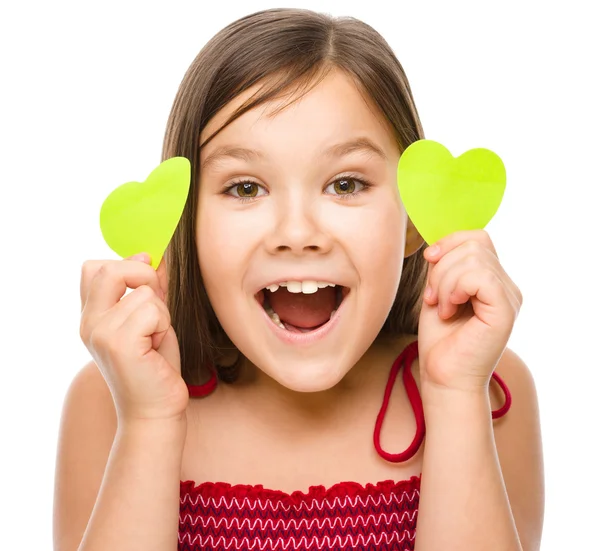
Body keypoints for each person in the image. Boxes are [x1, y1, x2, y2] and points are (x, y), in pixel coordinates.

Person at [53, 8, 544, 551]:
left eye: (346, 183)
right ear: (186, 225)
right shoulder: (110, 401)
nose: (297, 232)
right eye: (245, 188)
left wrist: (455, 395)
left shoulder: (488, 389)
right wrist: (147, 422)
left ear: (413, 220)